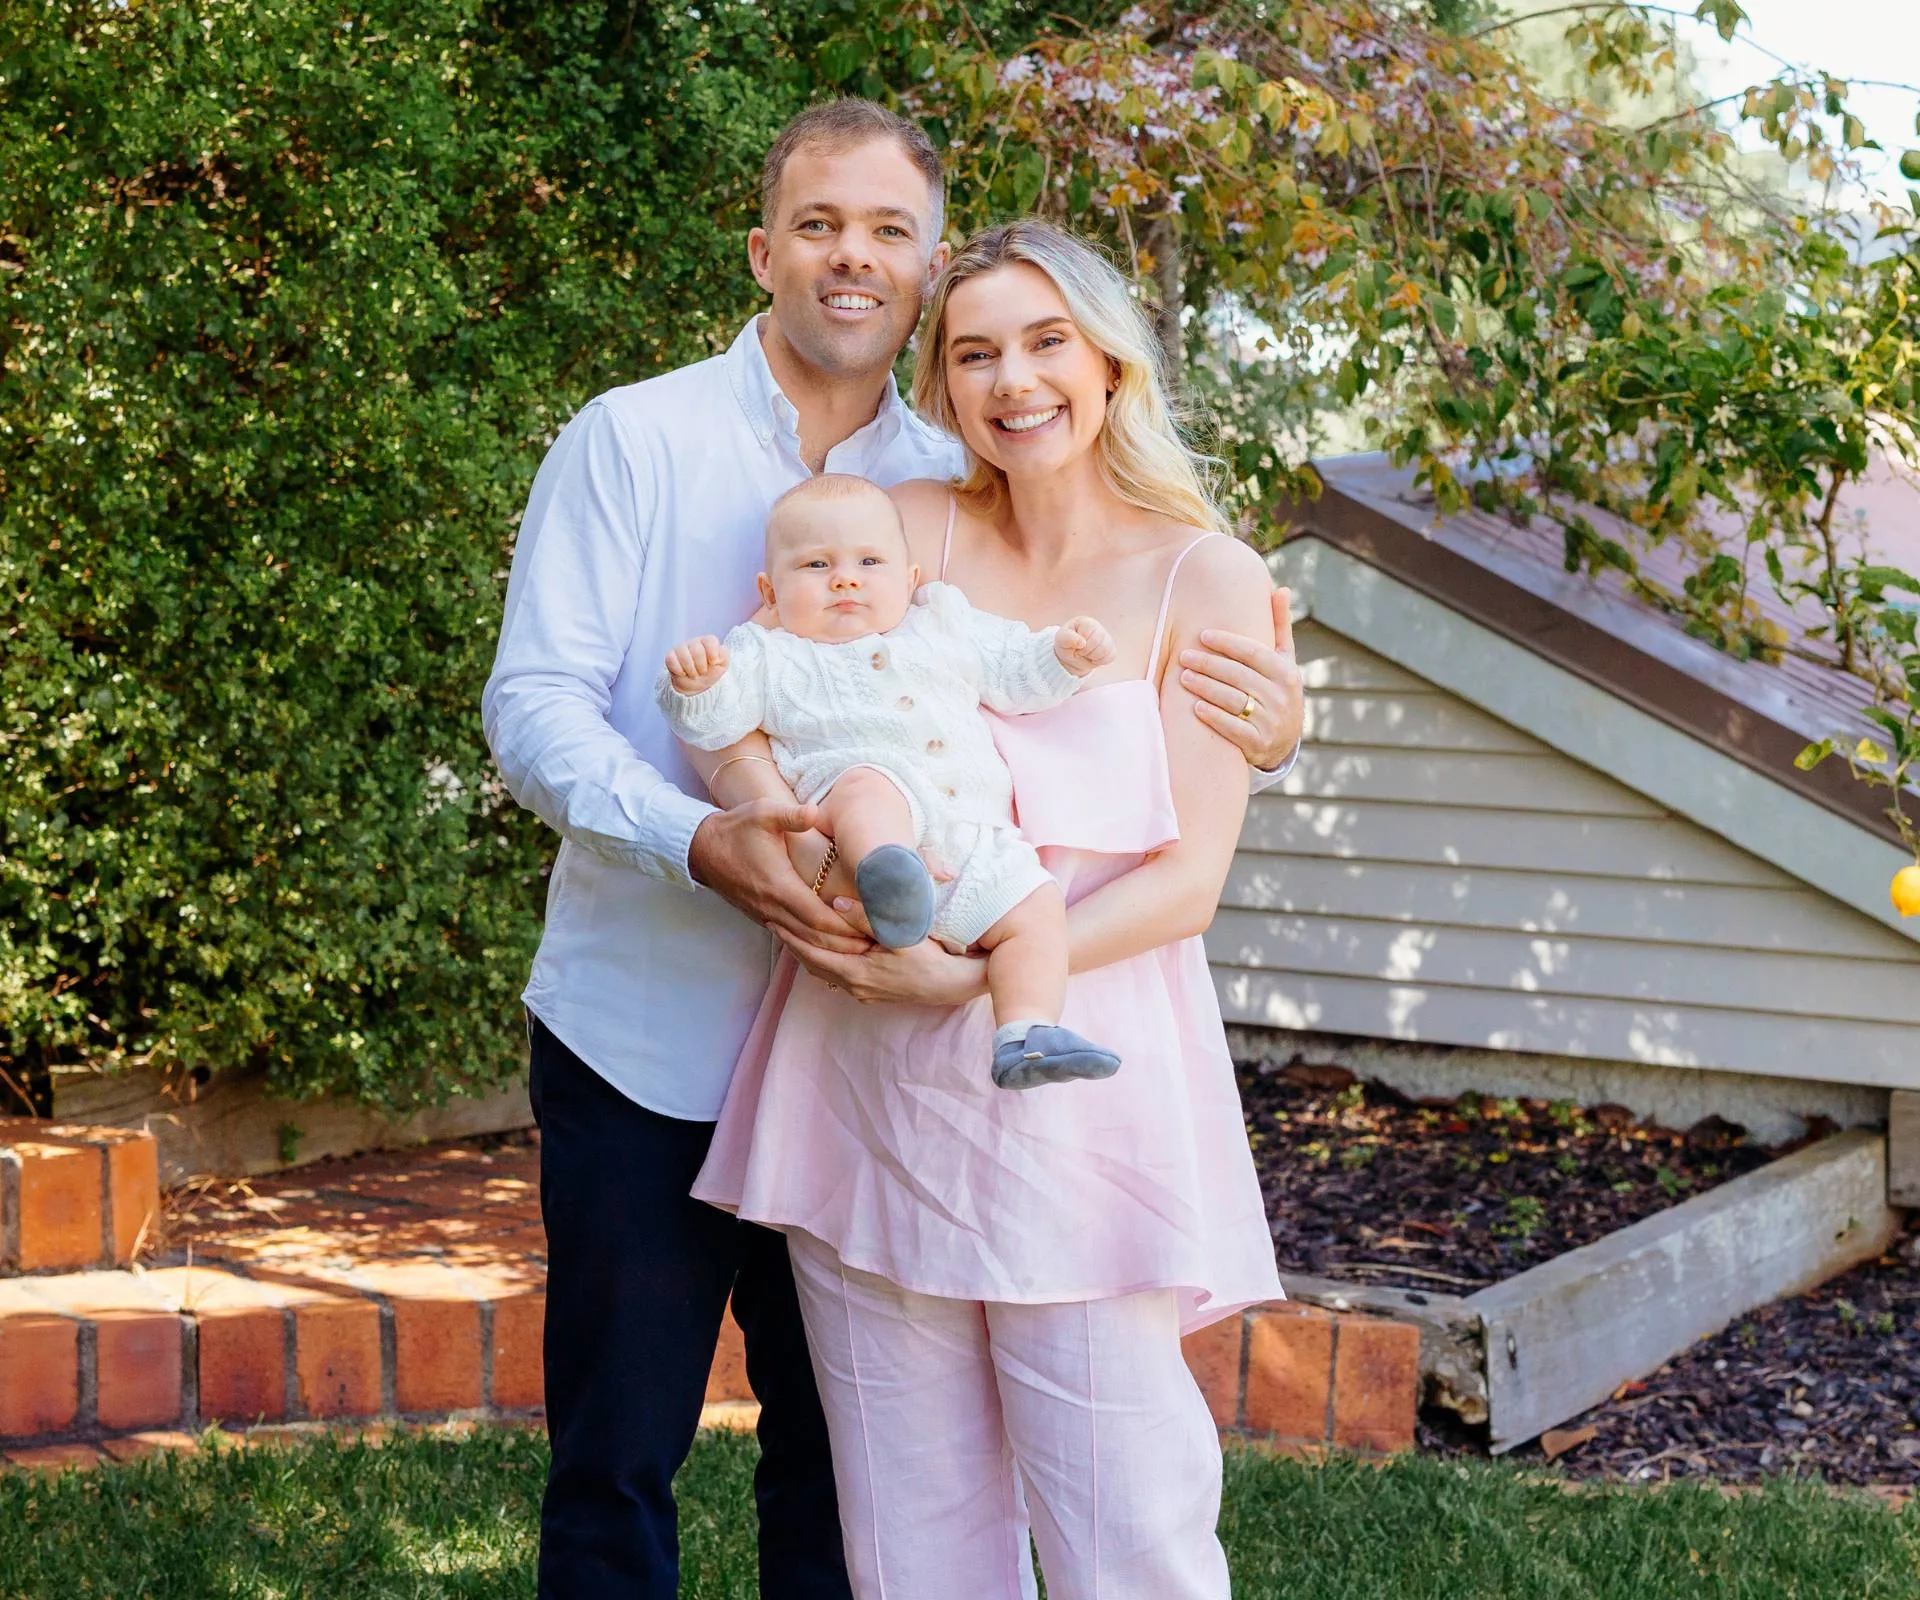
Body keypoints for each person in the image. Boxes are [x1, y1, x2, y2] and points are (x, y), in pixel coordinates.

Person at [482, 98, 1304, 1598]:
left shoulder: (952, 492)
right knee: (652, 1463)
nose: (852, 260)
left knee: (885, 1490)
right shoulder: (683, 450)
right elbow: (542, 701)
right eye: (818, 225)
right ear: (764, 249)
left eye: (890, 233)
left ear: (924, 269)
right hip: (674, 1030)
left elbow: (1138, 735)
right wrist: (707, 830)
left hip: (946, 1058)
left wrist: (1276, 714)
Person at [694, 219, 1287, 1600]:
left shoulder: (1209, 576)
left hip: (1075, 1085)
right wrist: (769, 834)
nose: (1013, 380)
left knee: (1125, 1516)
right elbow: (753, 697)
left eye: (1045, 342)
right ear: (943, 385)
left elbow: (1186, 883)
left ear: (1109, 362)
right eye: (973, 353)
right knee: (904, 1526)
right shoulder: (897, 527)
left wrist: (969, 986)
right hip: (869, 1077)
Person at [656, 472, 1124, 1089]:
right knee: (867, 787)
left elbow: (1014, 670)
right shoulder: (769, 653)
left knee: (1038, 909)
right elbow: (715, 722)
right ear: (770, 590)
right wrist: (696, 687)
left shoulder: (943, 622)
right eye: (816, 564)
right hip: (855, 831)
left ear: (910, 580)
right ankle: (889, 875)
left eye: (868, 561)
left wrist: (1062, 657)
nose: (844, 578)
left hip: (973, 842)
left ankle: (1025, 1032)